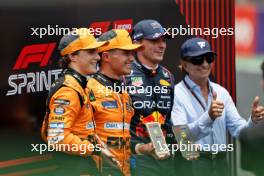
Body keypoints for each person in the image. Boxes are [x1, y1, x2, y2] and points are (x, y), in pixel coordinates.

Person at [171, 37, 264, 176]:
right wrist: (208, 117)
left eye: (209, 58)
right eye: (198, 59)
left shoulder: (221, 92)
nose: (205, 64)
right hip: (192, 164)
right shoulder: (176, 94)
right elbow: (183, 139)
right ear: (184, 65)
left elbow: (239, 130)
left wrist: (253, 121)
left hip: (221, 164)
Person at [41, 28, 107, 175]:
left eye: (97, 52)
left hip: (83, 164)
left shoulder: (80, 84)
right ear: (72, 55)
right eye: (91, 52)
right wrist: (93, 149)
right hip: (74, 167)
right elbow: (57, 137)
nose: (97, 57)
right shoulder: (68, 90)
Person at [124, 19, 178, 176]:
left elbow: (167, 120)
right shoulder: (125, 74)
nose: (161, 45)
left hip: (165, 156)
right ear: (137, 43)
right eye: (154, 40)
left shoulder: (168, 76)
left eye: (163, 40)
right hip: (137, 155)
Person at [87, 29, 142, 176]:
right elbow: (78, 134)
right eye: (126, 53)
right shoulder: (88, 89)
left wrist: (142, 148)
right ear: (106, 56)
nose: (132, 59)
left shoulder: (124, 93)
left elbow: (120, 139)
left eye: (132, 53)